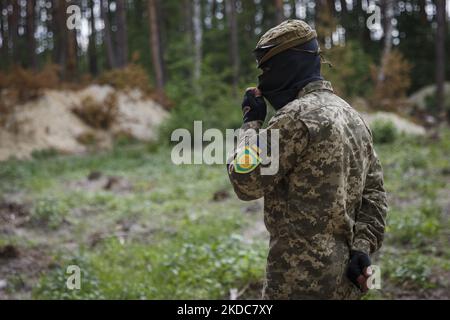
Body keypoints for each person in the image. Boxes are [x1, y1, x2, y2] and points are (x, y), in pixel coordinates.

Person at [227, 20, 388, 300]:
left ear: (287, 67)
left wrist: (251, 123)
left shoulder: (293, 119)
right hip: (347, 283)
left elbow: (245, 182)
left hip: (297, 283)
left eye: (266, 70)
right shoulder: (352, 116)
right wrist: (362, 248)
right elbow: (374, 195)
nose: (262, 81)